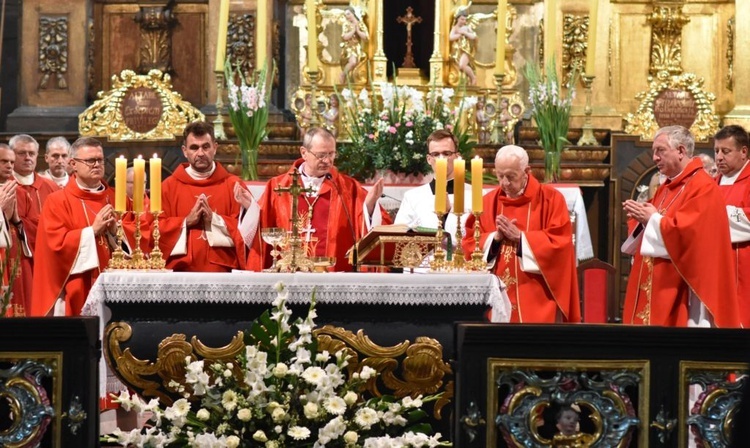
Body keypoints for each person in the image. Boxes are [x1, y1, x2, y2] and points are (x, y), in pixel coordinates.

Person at [621, 125, 739, 327]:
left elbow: (692, 238)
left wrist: (652, 220)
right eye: (653, 152)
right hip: (662, 283)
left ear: (681, 151)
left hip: (686, 289)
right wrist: (641, 218)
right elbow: (656, 221)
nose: (655, 158)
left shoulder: (703, 187)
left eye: (660, 151)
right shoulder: (667, 187)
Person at [462, 145, 580, 323]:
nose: (504, 183)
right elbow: (470, 243)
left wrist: (521, 238)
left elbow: (560, 245)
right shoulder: (487, 202)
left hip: (537, 297)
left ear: (527, 171)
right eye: (500, 176)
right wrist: (495, 239)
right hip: (495, 297)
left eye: (511, 176)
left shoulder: (551, 199)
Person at [248, 127, 388, 272]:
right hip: (288, 275)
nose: (327, 161)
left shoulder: (348, 188)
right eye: (321, 155)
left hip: (333, 278)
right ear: (304, 153)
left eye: (331, 154)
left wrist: (370, 206)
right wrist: (248, 207)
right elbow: (260, 228)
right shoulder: (278, 186)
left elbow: (376, 228)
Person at [31, 137, 126, 316]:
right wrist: (92, 232)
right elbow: (54, 247)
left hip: (118, 289)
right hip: (77, 287)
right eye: (90, 160)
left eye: (100, 160)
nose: (97, 164)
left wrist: (116, 232)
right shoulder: (57, 201)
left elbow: (139, 241)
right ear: (73, 164)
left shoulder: (117, 198)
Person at [158, 120, 258, 272]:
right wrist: (186, 222)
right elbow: (153, 228)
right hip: (180, 272)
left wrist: (216, 219)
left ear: (215, 148)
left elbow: (248, 232)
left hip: (223, 272)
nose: (200, 153)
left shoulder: (233, 185)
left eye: (205, 147)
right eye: (194, 148)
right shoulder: (168, 187)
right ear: (185, 151)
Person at [395, 130, 472, 258]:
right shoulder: (413, 197)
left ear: (457, 156)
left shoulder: (477, 195)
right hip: (424, 270)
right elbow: (399, 238)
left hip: (461, 269)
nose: (441, 159)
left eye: (447, 153)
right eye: (436, 154)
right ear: (429, 159)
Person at [9, 134, 59, 315]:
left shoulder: (51, 187)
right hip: (16, 257)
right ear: (12, 155)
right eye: (22, 153)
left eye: (32, 153)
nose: (28, 157)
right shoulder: (5, 186)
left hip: (45, 256)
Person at [713, 125, 750, 326]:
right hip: (716, 265)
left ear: (743, 152)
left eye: (725, 151)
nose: (719, 157)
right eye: (716, 151)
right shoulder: (712, 183)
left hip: (744, 267)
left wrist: (714, 215)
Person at [0, 145, 22, 315]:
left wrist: (13, 219)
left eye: (12, 162)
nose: (9, 165)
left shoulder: (17, 189)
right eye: (4, 161)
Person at [339, 6, 368, 84]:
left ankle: (351, 81)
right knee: (352, 62)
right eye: (345, 15)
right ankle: (343, 74)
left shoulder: (360, 23)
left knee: (355, 66)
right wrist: (353, 31)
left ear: (353, 13)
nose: (347, 17)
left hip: (357, 47)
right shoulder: (346, 24)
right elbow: (344, 37)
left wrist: (358, 31)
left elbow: (365, 37)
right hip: (349, 47)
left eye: (348, 14)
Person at [450, 8, 477, 85]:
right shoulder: (455, 28)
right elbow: (451, 37)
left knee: (462, 66)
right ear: (458, 19)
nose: (464, 21)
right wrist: (459, 35)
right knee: (460, 67)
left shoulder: (467, 27)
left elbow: (473, 37)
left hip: (466, 49)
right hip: (458, 50)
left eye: (465, 20)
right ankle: (467, 79)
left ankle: (473, 77)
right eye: (462, 19)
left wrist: (465, 33)